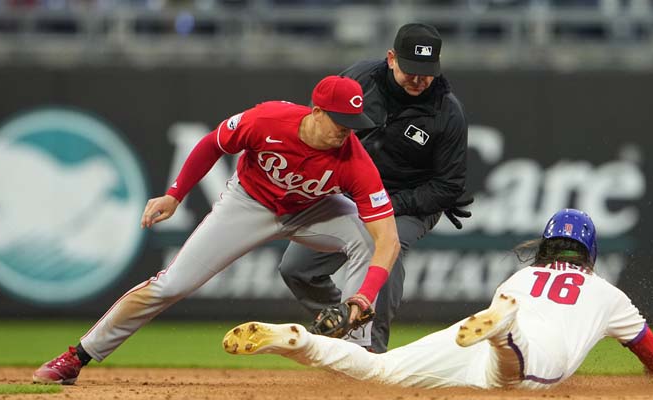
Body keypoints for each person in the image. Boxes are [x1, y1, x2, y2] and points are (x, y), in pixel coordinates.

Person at [32, 75, 401, 385]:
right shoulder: (268, 120)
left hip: (314, 210)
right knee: (171, 284)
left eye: (353, 123)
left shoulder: (354, 159)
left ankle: (355, 357)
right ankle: (77, 356)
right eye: (340, 122)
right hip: (249, 204)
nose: (347, 132)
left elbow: (388, 238)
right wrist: (175, 195)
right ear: (317, 112)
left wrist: (363, 298)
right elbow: (212, 144)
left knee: (367, 241)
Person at [224, 209, 653, 389]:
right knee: (515, 380)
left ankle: (299, 340)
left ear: (543, 246)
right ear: (591, 253)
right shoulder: (608, 294)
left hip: (475, 338)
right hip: (526, 351)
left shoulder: (519, 277)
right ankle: (506, 331)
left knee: (382, 370)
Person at [278, 22, 470, 352]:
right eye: (411, 69)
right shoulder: (360, 79)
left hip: (408, 202)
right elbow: (322, 125)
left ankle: (371, 349)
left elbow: (448, 186)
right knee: (296, 268)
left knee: (386, 249)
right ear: (391, 58)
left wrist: (388, 205)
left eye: (427, 72)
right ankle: (340, 324)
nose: (419, 79)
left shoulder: (447, 112)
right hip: (349, 193)